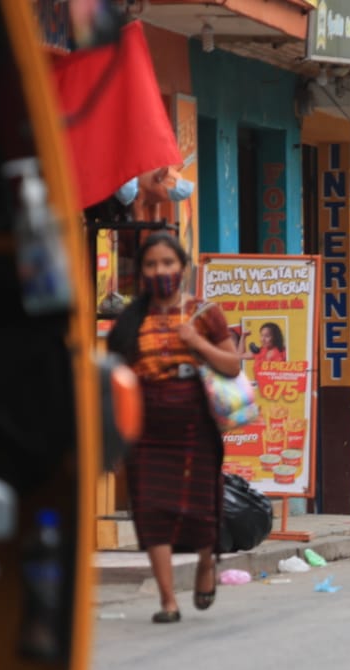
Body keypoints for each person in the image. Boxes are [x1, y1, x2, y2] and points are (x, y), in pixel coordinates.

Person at [107, 232, 242, 623]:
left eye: (167, 263)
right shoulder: (131, 320)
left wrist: (196, 344)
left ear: (182, 267)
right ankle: (168, 600)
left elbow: (232, 366)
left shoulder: (204, 313)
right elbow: (116, 377)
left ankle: (205, 564)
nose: (160, 271)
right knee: (150, 508)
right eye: (151, 265)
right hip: (146, 424)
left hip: (194, 421)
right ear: (142, 273)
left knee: (202, 506)